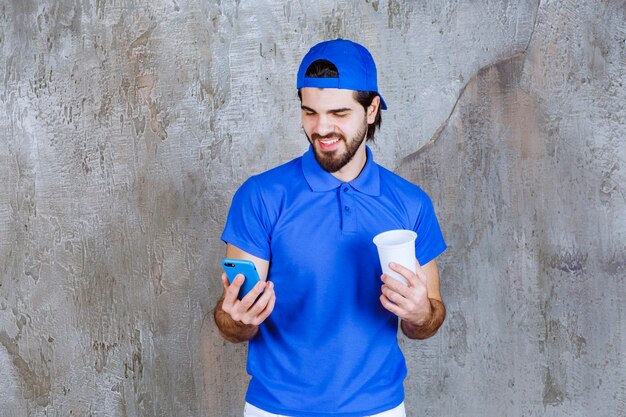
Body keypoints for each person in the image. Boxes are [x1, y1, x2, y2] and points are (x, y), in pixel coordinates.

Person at [213, 38, 447, 417]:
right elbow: (233, 323)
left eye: (339, 113)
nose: (322, 128)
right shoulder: (261, 196)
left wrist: (419, 312)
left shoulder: (410, 203)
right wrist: (236, 319)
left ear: (371, 109)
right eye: (310, 112)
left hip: (379, 408)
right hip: (276, 409)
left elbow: (427, 320)